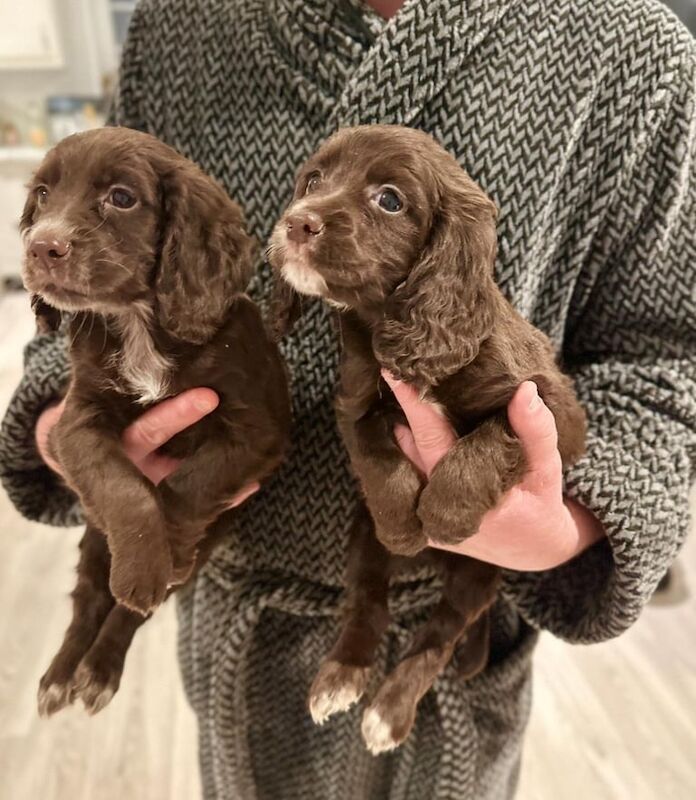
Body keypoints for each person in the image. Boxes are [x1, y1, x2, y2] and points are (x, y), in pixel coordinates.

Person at [1, 0, 695, 797]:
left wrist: (569, 524)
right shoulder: (179, 19)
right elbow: (95, 275)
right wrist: (72, 422)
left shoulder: (635, 51)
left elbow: (666, 356)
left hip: (453, 633)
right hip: (231, 609)